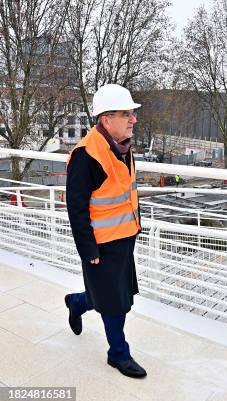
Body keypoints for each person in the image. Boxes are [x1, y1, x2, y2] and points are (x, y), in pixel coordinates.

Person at [64, 84, 147, 378]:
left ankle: (77, 301)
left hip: (125, 236)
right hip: (101, 243)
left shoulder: (121, 146)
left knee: (118, 292)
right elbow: (75, 207)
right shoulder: (87, 155)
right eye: (127, 114)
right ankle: (118, 354)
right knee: (116, 302)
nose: (133, 120)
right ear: (107, 119)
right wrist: (88, 250)